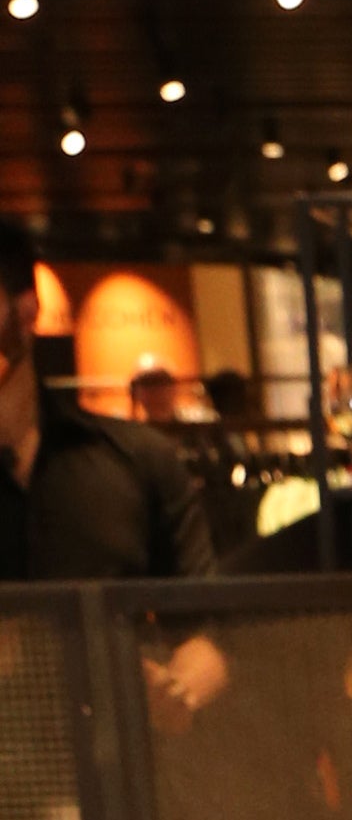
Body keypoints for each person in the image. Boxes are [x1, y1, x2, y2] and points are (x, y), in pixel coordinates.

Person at [0, 223, 229, 729]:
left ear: (26, 311)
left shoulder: (138, 459)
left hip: (113, 758)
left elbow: (206, 634)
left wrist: (176, 690)